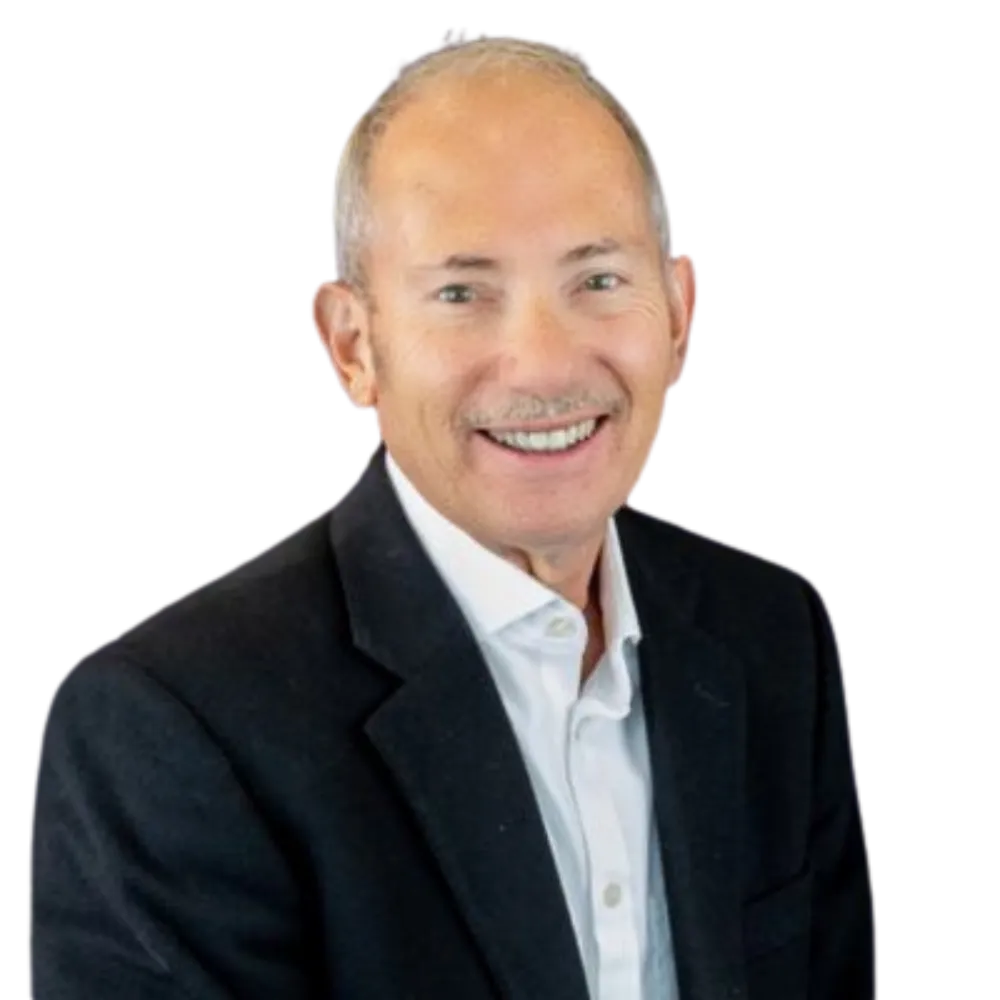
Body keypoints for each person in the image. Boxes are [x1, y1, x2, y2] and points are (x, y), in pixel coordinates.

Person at [26, 32, 877, 999]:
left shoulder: (772, 633)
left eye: (598, 280)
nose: (545, 364)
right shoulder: (171, 726)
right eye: (463, 293)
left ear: (680, 313)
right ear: (352, 347)